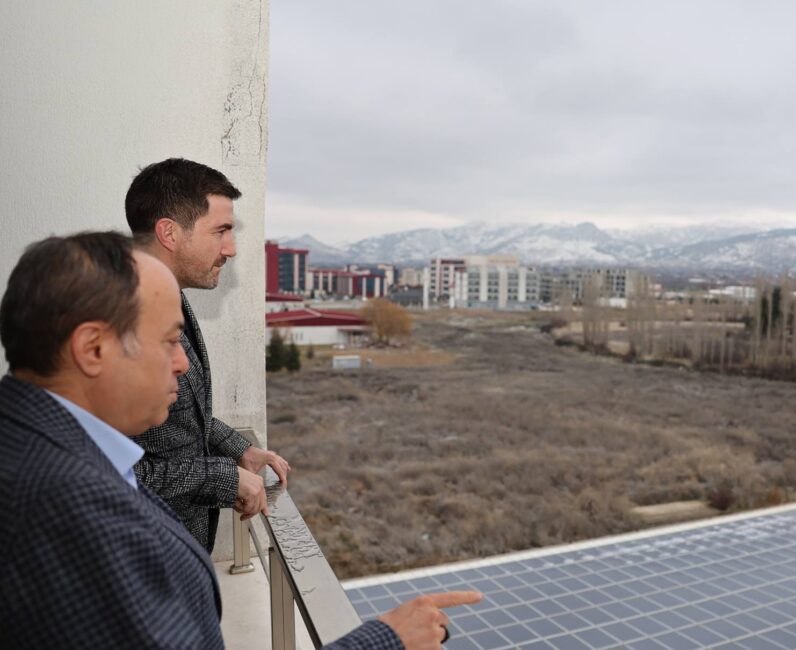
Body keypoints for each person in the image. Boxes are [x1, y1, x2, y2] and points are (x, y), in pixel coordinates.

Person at [0, 232, 480, 648]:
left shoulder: (36, 442)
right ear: (93, 348)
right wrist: (386, 641)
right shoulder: (68, 514)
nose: (182, 362)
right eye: (169, 341)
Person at [125, 157, 285, 552]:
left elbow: (180, 417)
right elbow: (106, 472)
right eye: (221, 231)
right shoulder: (124, 317)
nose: (230, 249)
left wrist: (239, 449)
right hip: (145, 562)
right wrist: (220, 477)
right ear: (169, 232)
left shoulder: (168, 296)